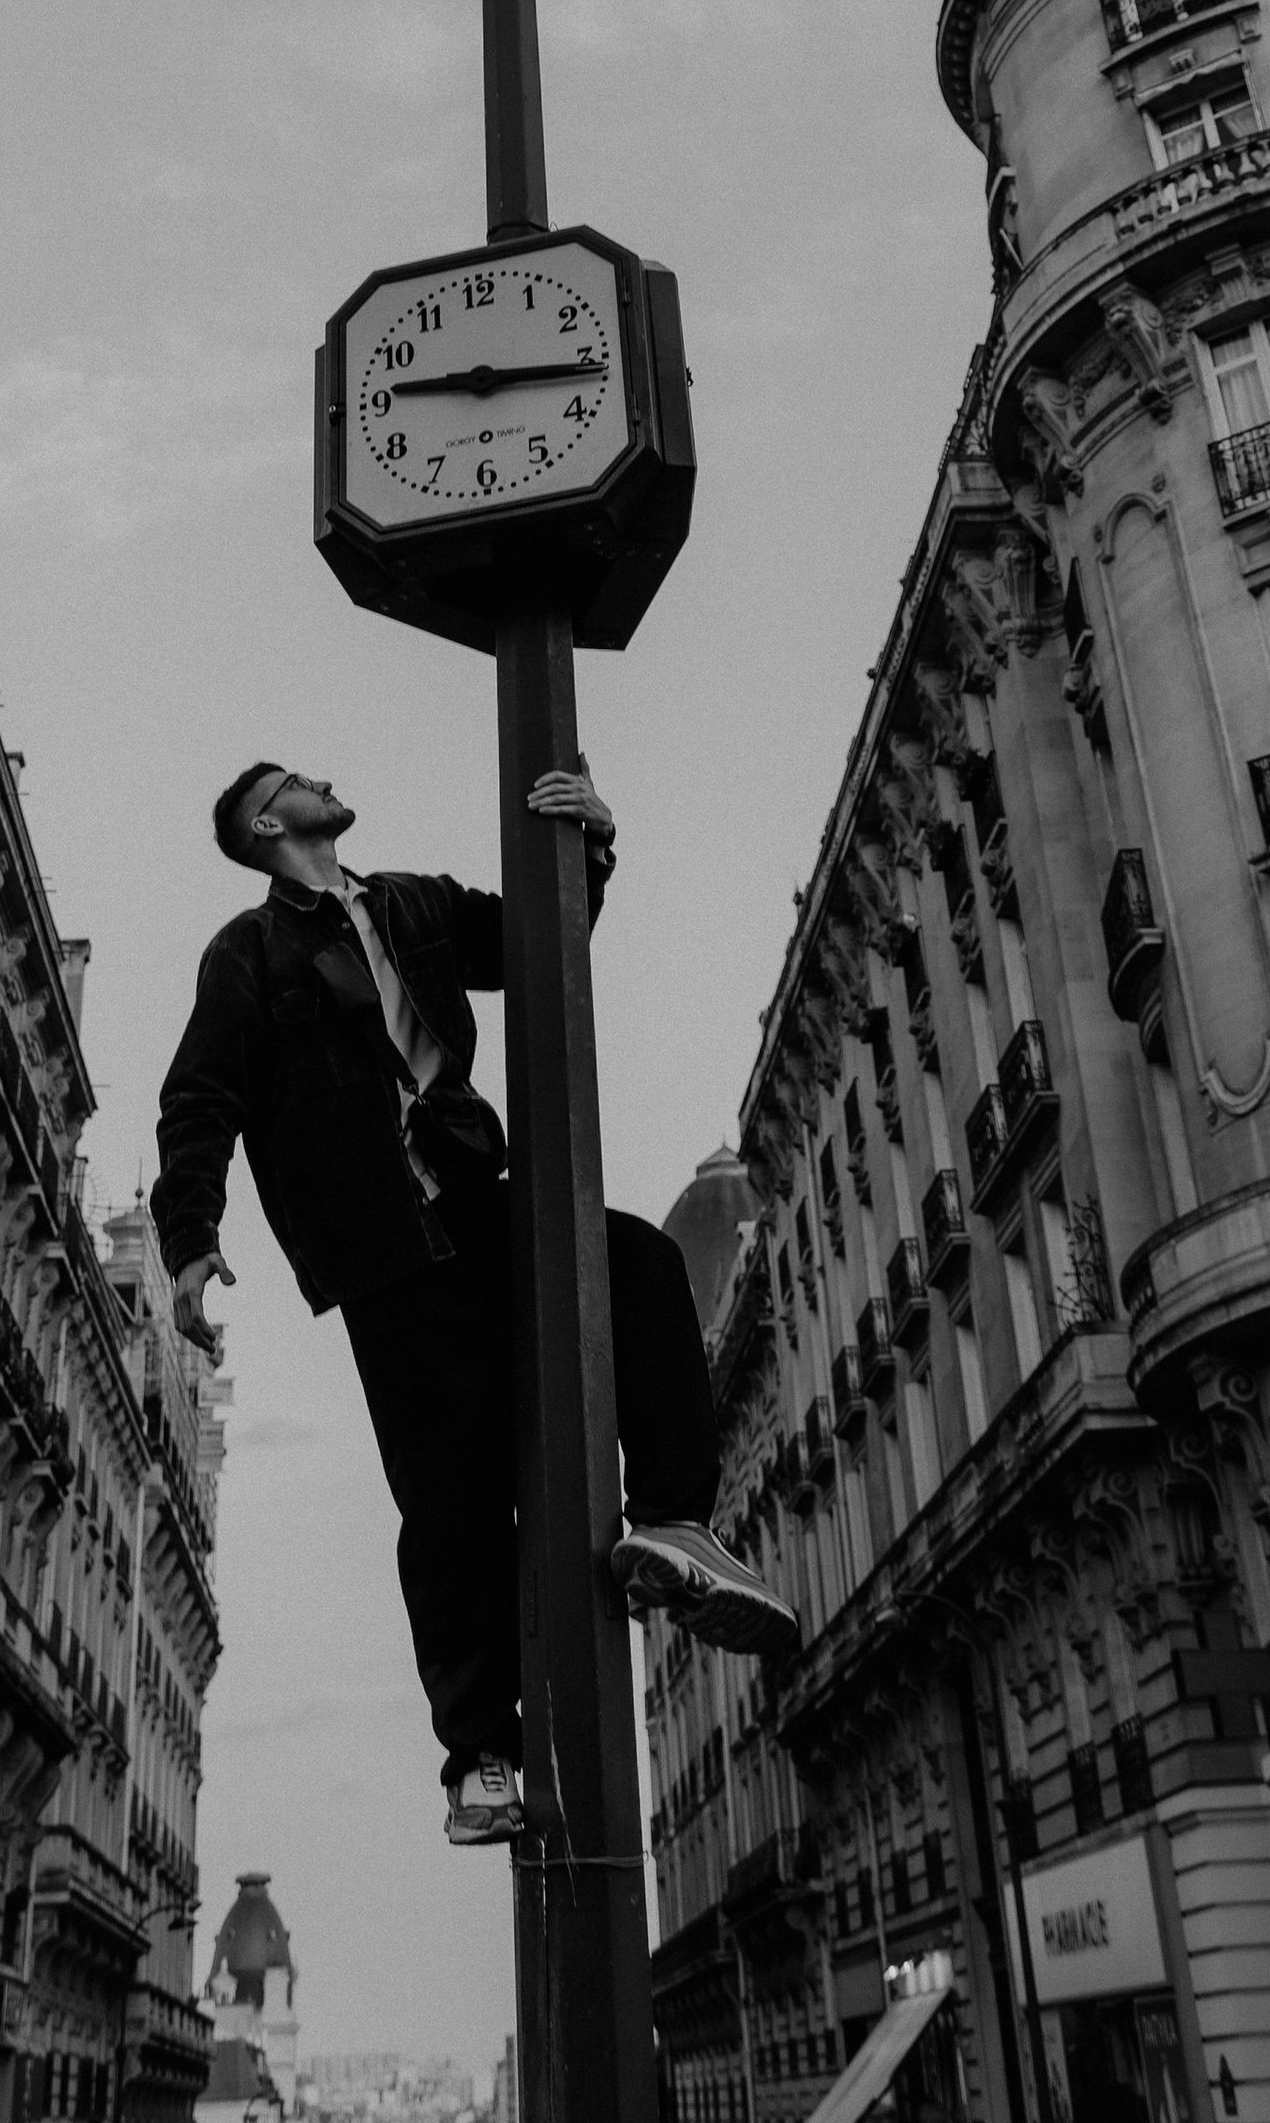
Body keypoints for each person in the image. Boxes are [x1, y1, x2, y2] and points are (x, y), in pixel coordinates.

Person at [152, 756, 796, 1846]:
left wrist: (590, 841)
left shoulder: (409, 903)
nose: (323, 776)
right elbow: (199, 1099)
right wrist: (186, 1243)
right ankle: (481, 1759)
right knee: (449, 1500)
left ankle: (677, 1522)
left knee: (631, 1263)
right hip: (378, 1247)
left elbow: (537, 937)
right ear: (266, 822)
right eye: (295, 778)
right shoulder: (248, 952)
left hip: (473, 1194)